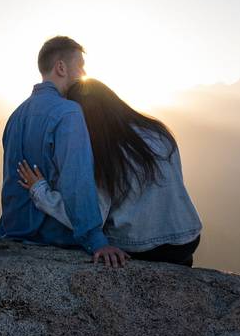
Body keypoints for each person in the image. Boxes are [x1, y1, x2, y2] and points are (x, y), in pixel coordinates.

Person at [16, 78, 201, 267]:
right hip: (187, 238)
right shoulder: (158, 132)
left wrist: (41, 192)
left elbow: (89, 215)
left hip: (143, 247)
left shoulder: (104, 153)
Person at [0, 37, 129, 268]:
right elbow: (76, 182)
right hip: (53, 238)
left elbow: (11, 185)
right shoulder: (69, 113)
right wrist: (97, 241)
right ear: (61, 67)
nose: (84, 72)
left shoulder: (15, 116)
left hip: (14, 234)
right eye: (80, 66)